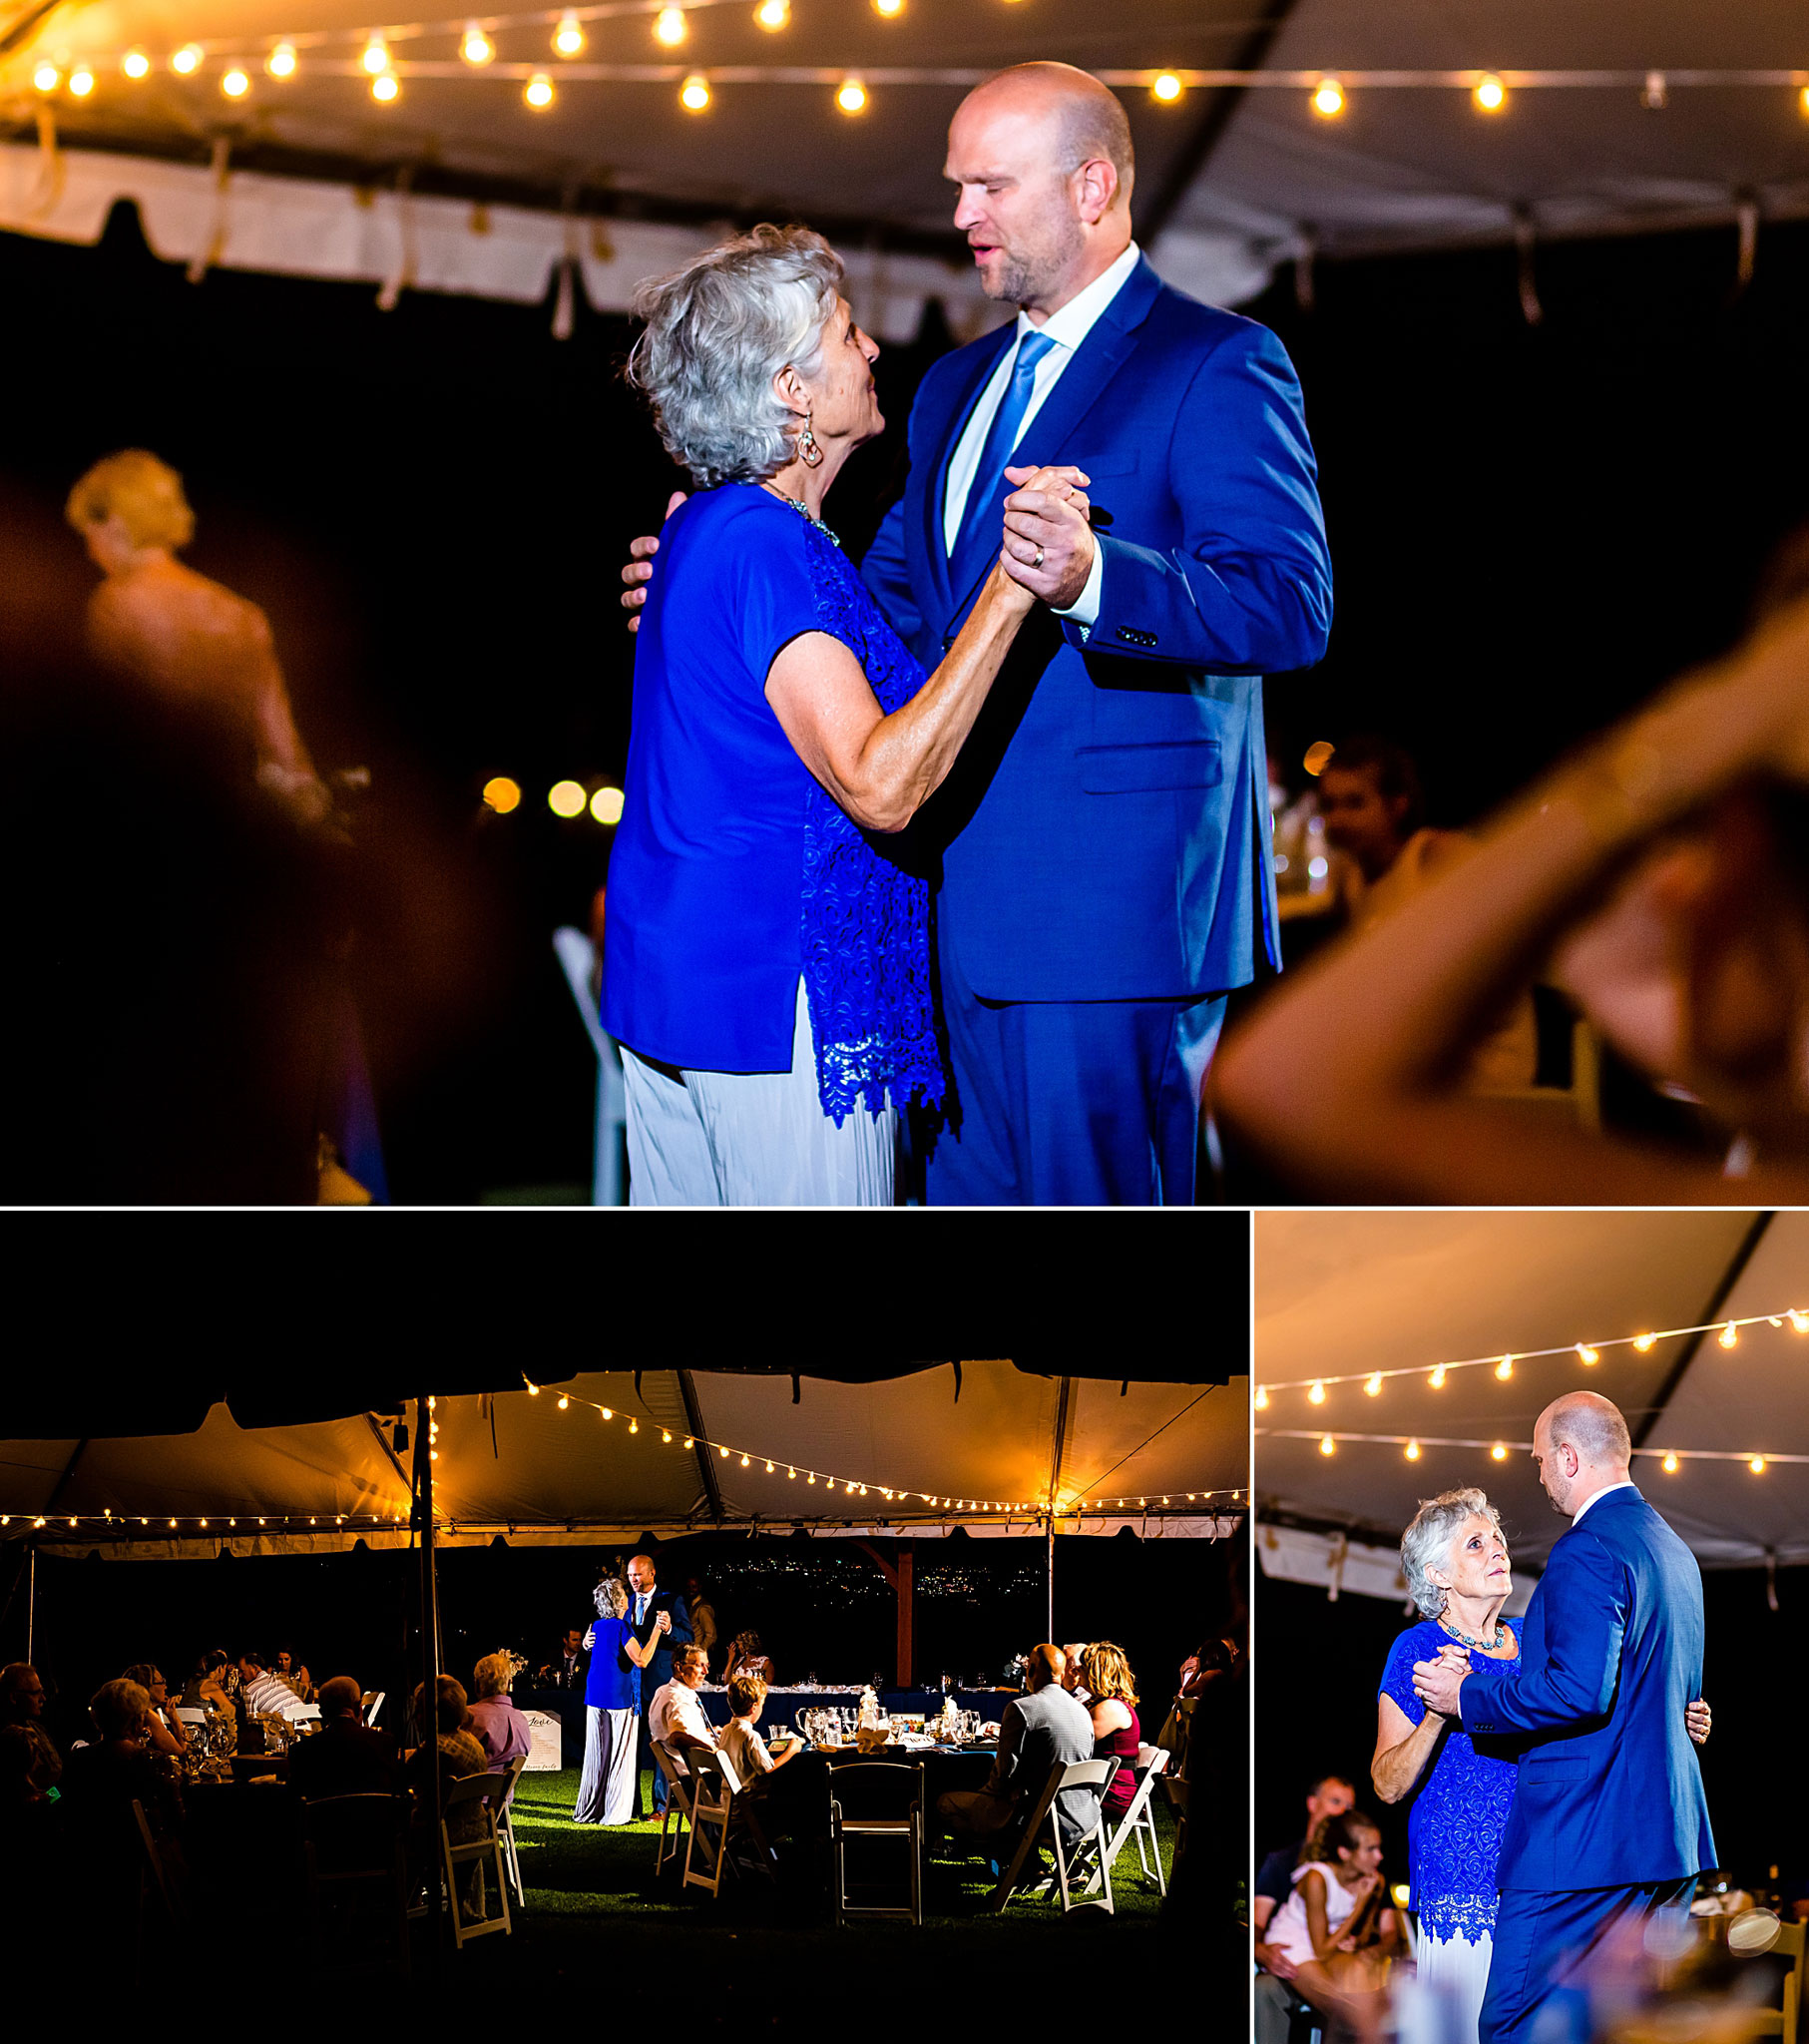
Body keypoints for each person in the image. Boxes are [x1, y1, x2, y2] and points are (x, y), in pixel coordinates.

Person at [624, 63, 1332, 1206]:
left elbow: (1289, 603)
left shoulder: (1215, 360)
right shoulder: (955, 387)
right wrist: (723, 597)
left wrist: (1098, 575)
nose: (961, 216)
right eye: (959, 188)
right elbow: (887, 612)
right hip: (933, 914)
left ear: (1091, 186)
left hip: (1107, 925)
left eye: (989, 187)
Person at [606, 225, 1072, 1207]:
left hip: (679, 987)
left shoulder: (706, 528)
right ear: (790, 389)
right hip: (773, 998)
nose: (870, 350)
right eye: (848, 332)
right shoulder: (762, 542)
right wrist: (1012, 587)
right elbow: (881, 784)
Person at [1212, 588, 1809, 1203]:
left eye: (1353, 803)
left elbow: (1288, 1086)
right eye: (1331, 804)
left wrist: (1696, 738)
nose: (1336, 820)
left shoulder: (1436, 855)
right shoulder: (1354, 880)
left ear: (1398, 803)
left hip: (1477, 1080)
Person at [1412, 1393, 1717, 2044]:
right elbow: (1659, 1687)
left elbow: (1580, 1692)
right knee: (1611, 2029)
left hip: (1580, 1848)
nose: (1540, 1474)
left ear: (1568, 1456)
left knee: (1516, 2026)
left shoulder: (1587, 1549)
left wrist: (1464, 1697)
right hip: (1665, 1840)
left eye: (1540, 1460)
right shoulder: (1674, 1552)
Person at [66, 450, 331, 827]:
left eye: (88, 536)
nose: (91, 553)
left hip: (149, 817)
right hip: (231, 822)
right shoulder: (243, 614)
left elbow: (100, 736)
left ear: (115, 524)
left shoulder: (116, 605)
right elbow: (283, 750)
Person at [936, 1642, 1095, 1860]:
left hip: (1037, 1816)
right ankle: (1027, 1863)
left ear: (1029, 1670)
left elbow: (1004, 1773)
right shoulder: (1083, 1711)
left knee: (945, 1802)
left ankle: (1015, 1861)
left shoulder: (1022, 1708)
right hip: (1081, 1813)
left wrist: (983, 1793)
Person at [1262, 1808, 1402, 2037]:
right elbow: (1321, 1950)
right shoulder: (1317, 1878)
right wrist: (1360, 1904)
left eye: (1379, 1848)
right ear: (1345, 1852)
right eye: (1370, 1849)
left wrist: (1355, 1942)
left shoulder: (1373, 1879)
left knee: (1358, 1977)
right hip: (1294, 1943)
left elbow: (1364, 1937)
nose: (1379, 1857)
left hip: (1329, 1942)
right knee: (1336, 2003)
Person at [576, 1577, 654, 1825]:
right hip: (619, 1696)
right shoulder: (622, 1627)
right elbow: (640, 1659)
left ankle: (590, 1810)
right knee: (620, 1756)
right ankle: (615, 1814)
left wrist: (587, 1646)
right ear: (619, 1601)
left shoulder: (597, 1625)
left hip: (595, 1695)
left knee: (597, 1756)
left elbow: (593, 1648)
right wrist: (656, 1634)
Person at [623, 1554, 693, 1819]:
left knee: (661, 1746)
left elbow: (688, 1638)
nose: (634, 1580)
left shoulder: (671, 1601)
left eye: (638, 1575)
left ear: (652, 1574)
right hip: (629, 1685)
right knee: (630, 1746)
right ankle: (630, 1804)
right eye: (630, 1575)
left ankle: (661, 1806)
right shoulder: (626, 1602)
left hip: (658, 1684)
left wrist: (670, 1629)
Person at [287, 1675, 397, 1800]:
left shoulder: (301, 1751)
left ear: (323, 1713)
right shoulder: (384, 1743)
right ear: (358, 1708)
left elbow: (293, 1802)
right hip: (374, 1818)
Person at [1079, 1643, 1140, 1829]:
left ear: (1096, 1672)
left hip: (1108, 1792)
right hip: (1098, 1787)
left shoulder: (1110, 1708)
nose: (1077, 1671)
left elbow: (1075, 1742)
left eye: (1083, 1666)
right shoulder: (1107, 1705)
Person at [647, 1645, 718, 1791]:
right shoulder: (677, 1699)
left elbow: (673, 1731)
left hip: (686, 1779)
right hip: (697, 1781)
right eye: (699, 1665)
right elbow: (676, 1737)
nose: (706, 1671)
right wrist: (712, 1749)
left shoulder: (663, 1691)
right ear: (679, 1667)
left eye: (707, 1665)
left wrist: (706, 1733)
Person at [0, 1663, 63, 1793]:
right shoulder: (8, 1739)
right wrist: (58, 1793)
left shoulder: (37, 1728)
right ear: (13, 1697)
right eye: (36, 1693)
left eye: (42, 1692)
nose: (43, 1699)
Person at [467, 1654, 532, 1780]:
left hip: (467, 1796)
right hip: (503, 1796)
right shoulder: (522, 1720)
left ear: (477, 1685)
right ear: (508, 1684)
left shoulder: (468, 1717)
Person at [122, 1663, 189, 1762]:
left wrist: (171, 1714)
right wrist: (174, 1718)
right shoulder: (147, 1716)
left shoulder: (129, 1714)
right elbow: (182, 1753)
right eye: (161, 1682)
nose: (165, 1687)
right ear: (147, 1687)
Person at [239, 1647, 307, 1723]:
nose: (240, 1675)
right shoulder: (282, 1678)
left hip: (284, 1729)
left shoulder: (249, 1690)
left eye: (242, 1671)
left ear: (255, 1669)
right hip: (305, 1723)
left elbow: (253, 1723)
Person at [684, 1578, 719, 1674]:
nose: (690, 1589)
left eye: (694, 1587)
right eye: (688, 1587)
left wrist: (700, 1653)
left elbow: (711, 1635)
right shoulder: (692, 1605)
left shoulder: (703, 1608)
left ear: (700, 1587)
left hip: (699, 1658)